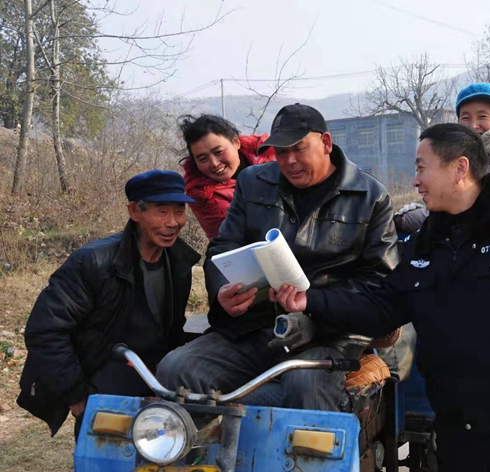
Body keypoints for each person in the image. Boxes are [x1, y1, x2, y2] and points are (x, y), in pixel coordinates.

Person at [271, 124, 490, 471]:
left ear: (460, 168)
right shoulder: (425, 243)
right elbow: (381, 305)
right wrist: (311, 301)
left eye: (422, 167)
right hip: (459, 432)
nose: (415, 180)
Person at [157, 103, 400, 411]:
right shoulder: (254, 182)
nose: (290, 161)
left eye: (299, 149)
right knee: (176, 369)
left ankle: (304, 459)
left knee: (304, 386)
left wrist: (312, 302)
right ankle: (199, 453)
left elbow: (380, 287)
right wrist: (223, 291)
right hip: (255, 326)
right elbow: (223, 246)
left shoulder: (369, 196)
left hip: (329, 334)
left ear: (326, 143)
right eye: (281, 152)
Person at [18, 170, 201, 437]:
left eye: (179, 211)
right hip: (101, 376)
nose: (173, 222)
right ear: (134, 212)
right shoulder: (94, 262)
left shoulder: (178, 260)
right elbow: (46, 329)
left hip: (154, 377)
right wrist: (77, 395)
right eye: (161, 212)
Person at [394, 82, 490, 234]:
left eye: (483, 116)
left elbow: (469, 209)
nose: (473, 125)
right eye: (465, 117)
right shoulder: (477, 156)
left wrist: (403, 220)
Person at [179, 114, 276, 239]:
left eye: (218, 152)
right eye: (203, 159)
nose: (214, 163)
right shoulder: (204, 196)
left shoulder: (267, 150)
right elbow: (246, 237)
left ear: (236, 142)